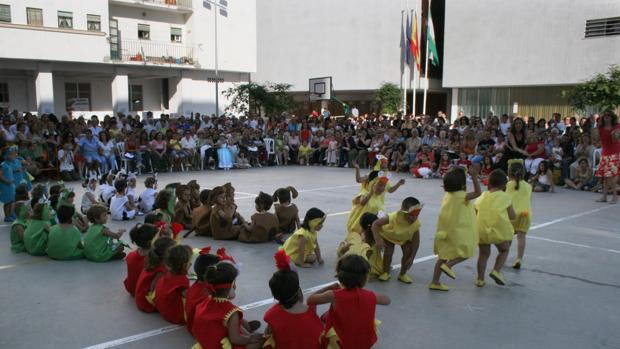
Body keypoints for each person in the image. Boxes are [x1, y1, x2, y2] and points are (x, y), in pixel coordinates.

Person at [307, 254, 391, 349]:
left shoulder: (333, 295)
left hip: (340, 344)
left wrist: (329, 288)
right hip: (362, 343)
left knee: (324, 318)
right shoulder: (370, 295)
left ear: (340, 276)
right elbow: (387, 300)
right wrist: (369, 295)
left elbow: (310, 300)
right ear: (364, 278)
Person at [430, 165, 481, 291]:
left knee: (442, 256)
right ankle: (449, 265)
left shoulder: (448, 195)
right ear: (462, 184)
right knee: (467, 251)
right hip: (458, 230)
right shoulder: (462, 196)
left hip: (445, 230)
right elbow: (478, 193)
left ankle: (435, 282)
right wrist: (474, 177)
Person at [191, 262, 264, 349]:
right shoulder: (231, 312)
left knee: (236, 326)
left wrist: (248, 336)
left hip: (206, 344)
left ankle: (247, 331)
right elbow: (235, 339)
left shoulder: (204, 302)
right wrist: (250, 339)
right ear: (233, 286)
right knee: (261, 343)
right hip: (220, 346)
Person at [263, 250, 323, 349]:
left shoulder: (271, 315)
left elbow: (266, 337)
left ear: (276, 296)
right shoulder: (311, 314)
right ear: (299, 291)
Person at [475, 169, 516, 287]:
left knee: (483, 255)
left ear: (490, 183)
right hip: (498, 230)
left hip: (482, 229)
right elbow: (512, 216)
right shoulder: (506, 197)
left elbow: (475, 210)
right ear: (504, 185)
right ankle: (496, 271)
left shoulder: (483, 195)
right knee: (504, 250)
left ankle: (480, 279)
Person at [371, 197, 422, 284]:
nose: (413, 218)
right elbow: (375, 224)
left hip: (404, 238)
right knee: (388, 253)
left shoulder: (416, 224)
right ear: (402, 212)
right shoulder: (392, 217)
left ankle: (402, 274)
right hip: (389, 236)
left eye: (416, 216)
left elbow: (416, 242)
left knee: (408, 253)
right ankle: (386, 272)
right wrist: (378, 239)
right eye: (410, 215)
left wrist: (412, 258)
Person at [135, 237, 176, 312]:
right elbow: (153, 288)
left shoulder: (151, 260)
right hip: (146, 303)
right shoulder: (161, 270)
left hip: (139, 297)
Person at [154, 244, 193, 324]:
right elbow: (189, 297)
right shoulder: (182, 279)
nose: (191, 264)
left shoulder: (168, 273)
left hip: (162, 310)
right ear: (185, 265)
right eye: (190, 262)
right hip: (175, 316)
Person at [337, 212, 383, 279]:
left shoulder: (356, 236)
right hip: (370, 266)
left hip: (356, 262)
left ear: (361, 225)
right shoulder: (378, 238)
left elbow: (340, 252)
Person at [186, 247, 220, 334]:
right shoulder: (208, 292)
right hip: (201, 329)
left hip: (191, 325)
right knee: (229, 313)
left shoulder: (196, 284)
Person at [506, 160, 532, 269]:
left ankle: (503, 255)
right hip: (526, 213)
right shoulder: (529, 186)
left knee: (508, 237)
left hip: (512, 213)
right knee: (521, 237)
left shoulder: (508, 184)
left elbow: (505, 199)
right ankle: (519, 259)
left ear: (509, 173)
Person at [592, 112, 620, 203]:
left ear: (612, 118)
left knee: (612, 176)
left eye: (609, 116)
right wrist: (593, 124)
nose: (607, 117)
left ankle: (615, 197)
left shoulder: (616, 126)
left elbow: (615, 140)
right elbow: (595, 138)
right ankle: (604, 197)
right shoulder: (600, 128)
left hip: (615, 153)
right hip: (605, 153)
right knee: (605, 176)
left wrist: (615, 134)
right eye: (605, 116)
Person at [124, 224, 158, 296]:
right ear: (151, 241)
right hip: (142, 291)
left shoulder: (131, 255)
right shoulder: (153, 259)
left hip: (131, 288)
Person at [0, 146, 17, 222]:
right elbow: (0, 175)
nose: (14, 155)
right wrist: (7, 181)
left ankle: (10, 214)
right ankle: (6, 216)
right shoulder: (3, 165)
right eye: (12, 154)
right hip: (6, 186)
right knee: (7, 202)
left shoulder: (10, 164)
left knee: (11, 200)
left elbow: (12, 171)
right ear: (7, 155)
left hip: (11, 186)